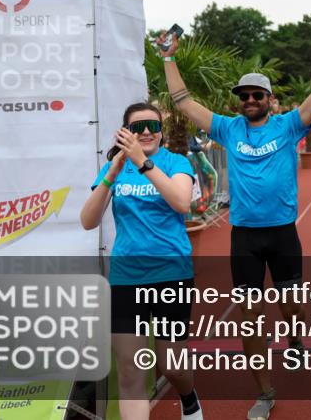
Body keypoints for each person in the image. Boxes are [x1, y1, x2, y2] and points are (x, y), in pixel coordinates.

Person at [158, 18, 311, 420]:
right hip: (243, 237)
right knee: (249, 317)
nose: (249, 99)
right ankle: (265, 391)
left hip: (282, 234)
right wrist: (168, 58)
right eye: (243, 95)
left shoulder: (288, 124)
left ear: (270, 98)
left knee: (292, 307)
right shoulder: (228, 128)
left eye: (256, 94)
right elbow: (183, 102)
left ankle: (295, 338)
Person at [80, 103, 202, 420]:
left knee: (171, 365)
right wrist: (112, 172)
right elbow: (88, 220)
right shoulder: (115, 168)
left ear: (161, 131)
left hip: (170, 274)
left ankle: (188, 398)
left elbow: (180, 202)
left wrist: (143, 163)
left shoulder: (176, 162)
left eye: (152, 125)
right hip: (126, 278)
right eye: (137, 126)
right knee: (130, 372)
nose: (146, 131)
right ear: (125, 133)